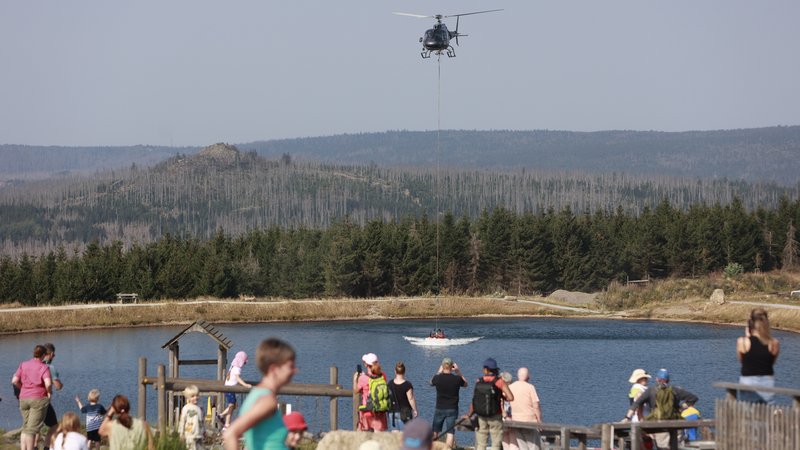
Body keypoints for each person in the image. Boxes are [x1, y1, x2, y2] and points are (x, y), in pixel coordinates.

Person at [223, 338, 297, 450]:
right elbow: (231, 434)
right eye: (290, 366)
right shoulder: (266, 400)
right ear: (274, 369)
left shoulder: (258, 393)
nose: (295, 371)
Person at [623, 369, 698, 450]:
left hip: (659, 425)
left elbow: (636, 404)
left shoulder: (650, 391)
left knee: (663, 448)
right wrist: (681, 408)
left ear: (657, 379)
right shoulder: (675, 390)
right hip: (676, 424)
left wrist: (627, 418)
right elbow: (693, 398)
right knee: (678, 447)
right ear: (668, 380)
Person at [11, 344, 52, 450]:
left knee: (26, 427)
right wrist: (49, 393)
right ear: (43, 355)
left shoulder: (23, 364)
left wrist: (23, 387)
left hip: (23, 398)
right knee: (32, 430)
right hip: (38, 399)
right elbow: (48, 383)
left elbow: (14, 381)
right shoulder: (44, 367)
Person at [467, 358, 514, 450]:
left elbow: (474, 400)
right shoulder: (499, 382)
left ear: (485, 369)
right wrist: (502, 397)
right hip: (495, 416)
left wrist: (470, 414)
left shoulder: (479, 381)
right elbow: (511, 397)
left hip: (481, 416)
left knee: (481, 444)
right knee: (496, 444)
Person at [736, 307, 780, 404]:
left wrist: (748, 337)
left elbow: (743, 362)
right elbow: (770, 363)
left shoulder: (742, 342)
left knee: (747, 413)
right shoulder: (774, 343)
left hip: (747, 381)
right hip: (767, 382)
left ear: (750, 324)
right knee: (767, 414)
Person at [430, 357, 467, 448]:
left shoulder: (437, 378)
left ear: (443, 366)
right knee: (450, 432)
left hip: (439, 408)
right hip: (452, 409)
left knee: (435, 431)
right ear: (451, 367)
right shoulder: (457, 379)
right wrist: (458, 371)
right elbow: (466, 384)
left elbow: (431, 382)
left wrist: (439, 371)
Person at [503, 367, 542, 450]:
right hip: (530, 422)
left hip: (516, 421)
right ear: (528, 377)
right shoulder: (530, 387)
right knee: (534, 447)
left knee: (522, 447)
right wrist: (539, 420)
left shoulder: (511, 387)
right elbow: (536, 406)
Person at [354, 353, 389, 431]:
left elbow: (356, 391)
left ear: (366, 365)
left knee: (366, 439)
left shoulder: (363, 378)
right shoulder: (383, 376)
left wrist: (355, 378)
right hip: (380, 410)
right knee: (379, 438)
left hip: (367, 411)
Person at [218, 351, 253, 430]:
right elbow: (237, 378)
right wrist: (245, 385)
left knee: (234, 405)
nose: (244, 364)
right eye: (244, 362)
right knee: (231, 406)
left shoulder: (233, 367)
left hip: (228, 388)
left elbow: (234, 379)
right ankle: (226, 425)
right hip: (230, 389)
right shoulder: (237, 368)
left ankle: (221, 415)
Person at [43, 343, 64, 450]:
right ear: (51, 354)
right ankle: (46, 448)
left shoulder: (33, 364)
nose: (54, 357)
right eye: (54, 355)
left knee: (34, 426)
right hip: (43, 401)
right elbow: (57, 386)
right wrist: (61, 385)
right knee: (54, 426)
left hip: (28, 399)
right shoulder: (49, 367)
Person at [389, 361, 418, 430]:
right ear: (404, 371)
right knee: (405, 435)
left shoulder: (390, 383)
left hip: (392, 412)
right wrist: (415, 410)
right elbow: (410, 398)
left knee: (395, 435)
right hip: (405, 413)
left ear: (395, 371)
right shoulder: (407, 385)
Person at [178, 385, 204, 450]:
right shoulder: (186, 408)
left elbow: (202, 420)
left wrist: (204, 430)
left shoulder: (200, 407)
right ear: (188, 398)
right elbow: (182, 421)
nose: (195, 398)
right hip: (190, 434)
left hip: (199, 434)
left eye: (197, 395)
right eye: (192, 396)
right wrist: (181, 433)